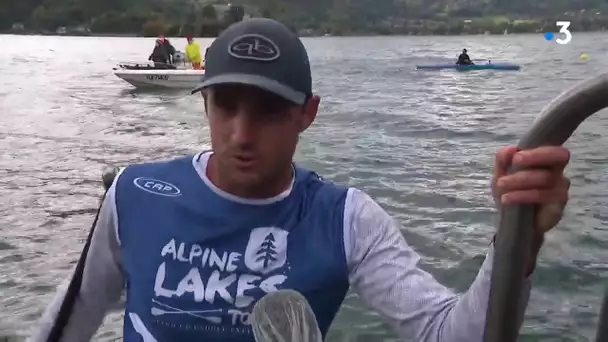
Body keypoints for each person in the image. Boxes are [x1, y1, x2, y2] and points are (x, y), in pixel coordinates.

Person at [28, 18, 571, 342]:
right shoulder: (134, 195)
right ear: (205, 103)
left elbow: (449, 334)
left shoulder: (346, 219)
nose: (240, 133)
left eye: (267, 111)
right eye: (225, 106)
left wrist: (520, 234)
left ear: (307, 114)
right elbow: (66, 325)